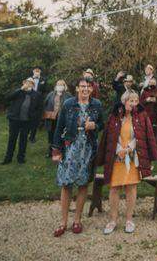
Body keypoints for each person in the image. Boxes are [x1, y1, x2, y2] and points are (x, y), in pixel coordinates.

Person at [98, 91, 157, 234]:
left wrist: (130, 148)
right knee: (114, 189)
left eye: (136, 100)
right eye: (131, 100)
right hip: (117, 158)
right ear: (124, 101)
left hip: (132, 158)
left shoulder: (142, 116)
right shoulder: (114, 116)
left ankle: (129, 219)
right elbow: (109, 137)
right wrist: (119, 149)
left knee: (131, 188)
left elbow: (145, 136)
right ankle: (113, 220)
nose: (134, 103)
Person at [51, 77, 104, 237]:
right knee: (66, 184)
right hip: (70, 148)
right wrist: (56, 150)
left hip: (87, 149)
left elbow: (102, 124)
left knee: (82, 184)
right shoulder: (68, 104)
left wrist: (94, 125)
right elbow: (59, 126)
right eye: (82, 86)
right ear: (76, 88)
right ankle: (62, 222)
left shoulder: (97, 105)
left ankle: (77, 220)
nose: (85, 89)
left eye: (88, 86)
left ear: (92, 89)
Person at [1, 77, 41, 165]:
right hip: (15, 120)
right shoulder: (18, 92)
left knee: (23, 140)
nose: (28, 84)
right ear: (24, 83)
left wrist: (34, 119)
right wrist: (20, 89)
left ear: (33, 85)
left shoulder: (36, 95)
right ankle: (8, 158)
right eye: (27, 82)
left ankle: (21, 158)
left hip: (27, 121)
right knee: (12, 139)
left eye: (30, 83)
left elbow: (38, 109)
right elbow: (8, 97)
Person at [42, 80, 71, 157]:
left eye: (61, 85)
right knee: (51, 136)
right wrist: (47, 112)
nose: (60, 87)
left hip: (62, 120)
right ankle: (51, 152)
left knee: (61, 135)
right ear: (56, 86)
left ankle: (61, 151)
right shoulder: (51, 94)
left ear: (64, 87)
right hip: (51, 119)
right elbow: (44, 104)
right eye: (58, 85)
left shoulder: (68, 95)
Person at [29, 66, 48, 142]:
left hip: (39, 101)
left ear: (40, 72)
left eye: (38, 71)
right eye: (35, 71)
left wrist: (41, 97)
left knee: (36, 119)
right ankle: (26, 133)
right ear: (33, 71)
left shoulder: (44, 80)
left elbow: (45, 90)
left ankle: (32, 136)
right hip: (29, 100)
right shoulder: (29, 79)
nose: (37, 72)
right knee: (28, 117)